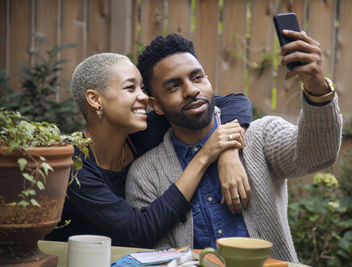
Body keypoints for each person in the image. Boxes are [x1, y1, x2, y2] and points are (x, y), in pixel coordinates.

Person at [125, 33, 342, 262]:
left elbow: (318, 155)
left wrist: (317, 87)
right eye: (173, 86)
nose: (191, 90)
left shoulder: (261, 137)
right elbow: (156, 258)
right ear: (156, 105)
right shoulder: (145, 176)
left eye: (197, 77)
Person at [46, 52, 254, 247]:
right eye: (131, 88)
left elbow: (233, 101)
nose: (145, 98)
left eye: (143, 89)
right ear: (95, 100)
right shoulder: (72, 165)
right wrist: (205, 155)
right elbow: (138, 231)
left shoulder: (143, 131)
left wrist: (229, 152)